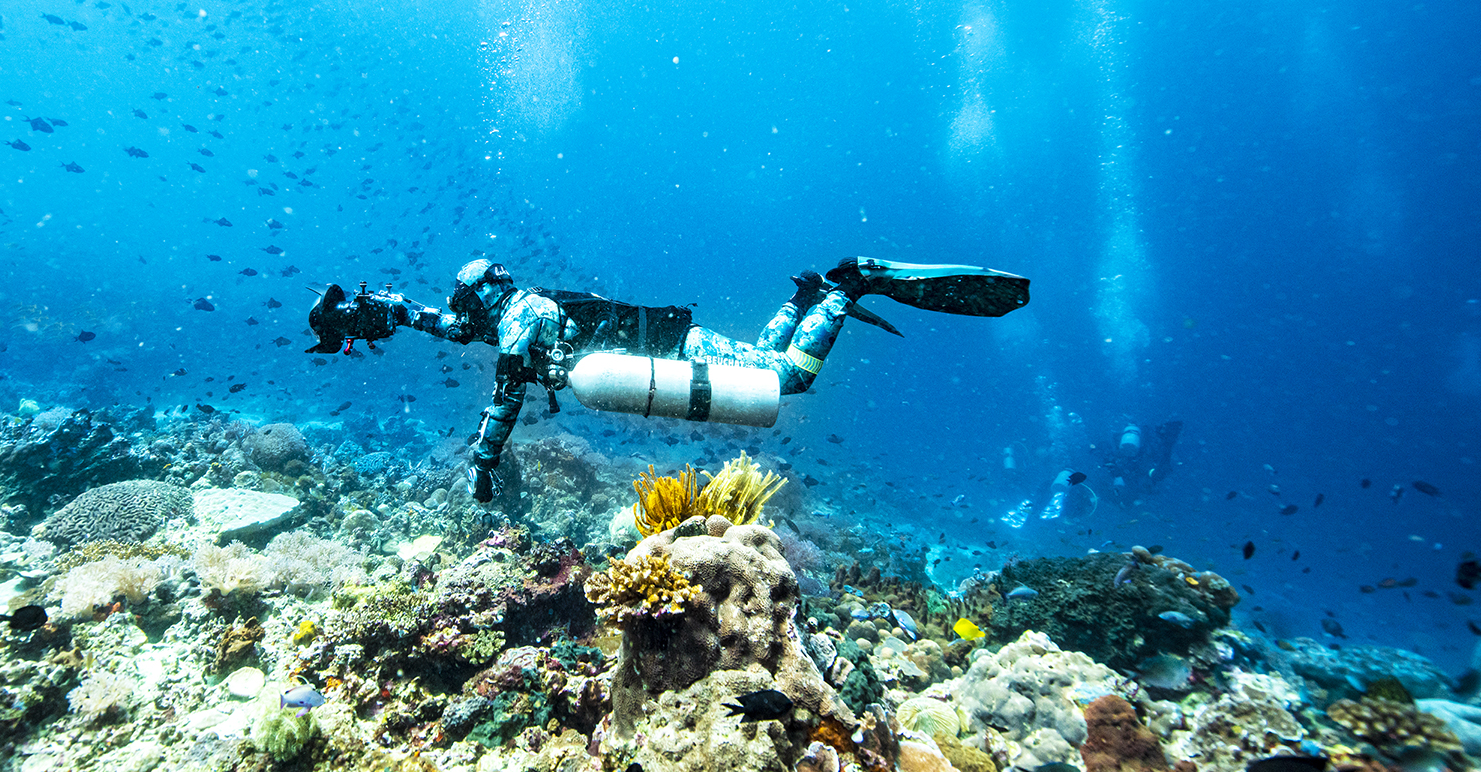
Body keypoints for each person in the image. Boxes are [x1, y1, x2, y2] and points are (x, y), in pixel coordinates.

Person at [307, 255, 1028, 502]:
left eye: (467, 301)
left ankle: (846, 287)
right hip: (672, 347)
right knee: (763, 359)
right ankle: (804, 297)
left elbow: (506, 393)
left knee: (788, 380)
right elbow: (447, 326)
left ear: (485, 294)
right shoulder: (508, 312)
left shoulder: (522, 318)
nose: (464, 313)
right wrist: (382, 313)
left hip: (677, 351)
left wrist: (484, 462)